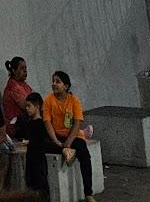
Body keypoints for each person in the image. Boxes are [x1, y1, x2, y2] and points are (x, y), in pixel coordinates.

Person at [42, 72, 95, 202]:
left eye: (58, 81)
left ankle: (88, 193)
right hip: (56, 136)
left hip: (72, 136)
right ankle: (64, 151)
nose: (54, 84)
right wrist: (56, 141)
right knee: (42, 143)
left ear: (66, 86)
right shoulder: (48, 100)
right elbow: (47, 122)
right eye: (53, 81)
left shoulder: (74, 101)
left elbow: (77, 123)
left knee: (84, 154)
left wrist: (68, 143)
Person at [13, 91, 55, 198]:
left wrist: (29, 142)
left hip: (38, 159)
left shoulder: (40, 124)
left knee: (40, 186)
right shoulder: (30, 122)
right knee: (31, 185)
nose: (26, 108)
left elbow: (40, 141)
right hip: (31, 158)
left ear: (37, 106)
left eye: (29, 106)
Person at [1, 57, 33, 130]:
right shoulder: (13, 87)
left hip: (24, 120)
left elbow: (35, 99)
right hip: (15, 125)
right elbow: (28, 107)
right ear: (14, 71)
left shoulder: (23, 84)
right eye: (22, 68)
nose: (25, 70)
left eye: (25, 68)